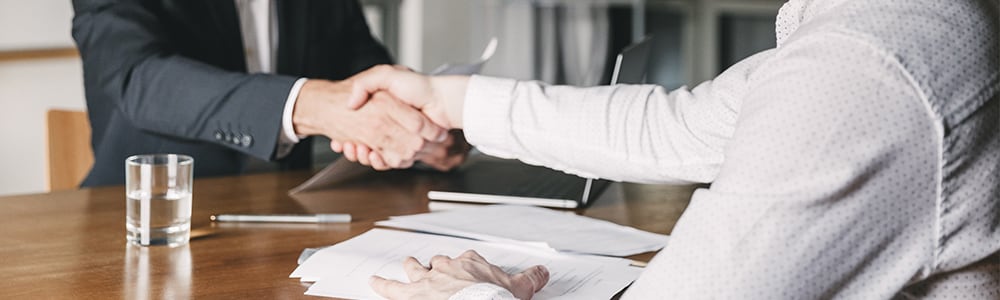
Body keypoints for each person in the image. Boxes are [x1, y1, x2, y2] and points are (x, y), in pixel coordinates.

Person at [338, 0, 1000, 298]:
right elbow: (683, 127)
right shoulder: (876, 22)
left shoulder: (867, 66)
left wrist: (469, 298)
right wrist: (448, 100)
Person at [71, 0, 467, 187]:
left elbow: (365, 68)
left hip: (294, 208)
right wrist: (309, 105)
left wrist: (422, 128)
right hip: (149, 214)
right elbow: (139, 76)